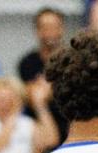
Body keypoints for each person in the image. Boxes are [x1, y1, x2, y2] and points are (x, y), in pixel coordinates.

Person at [17, 7, 68, 145]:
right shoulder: (27, 62)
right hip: (37, 126)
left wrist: (49, 90)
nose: (50, 32)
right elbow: (29, 96)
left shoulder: (73, 60)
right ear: (37, 30)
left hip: (70, 124)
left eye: (54, 27)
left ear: (61, 29)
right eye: (45, 27)